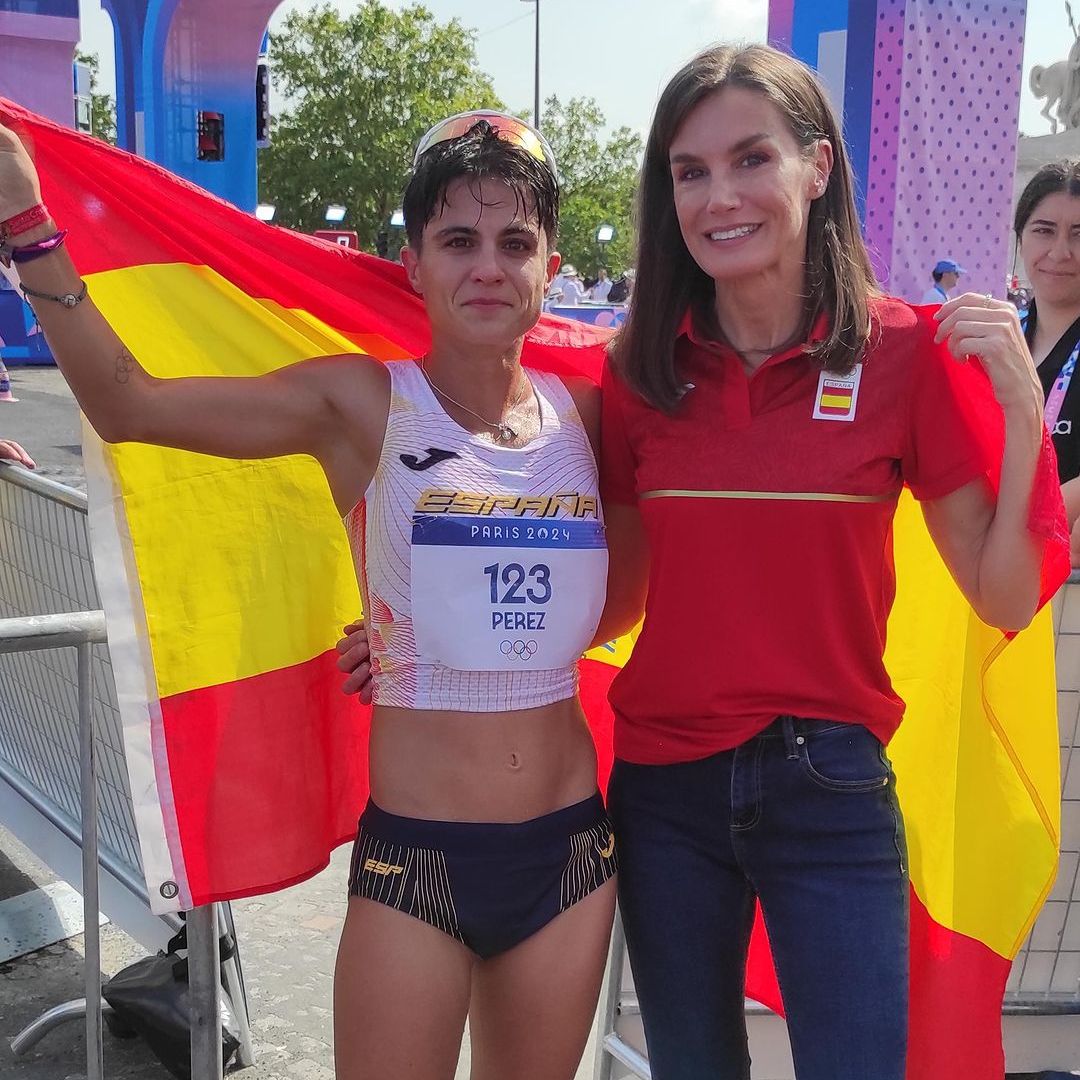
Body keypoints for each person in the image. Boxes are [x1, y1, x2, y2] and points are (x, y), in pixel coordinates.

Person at [337, 43, 1060, 1080]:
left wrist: (1025, 414)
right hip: (666, 791)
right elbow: (607, 596)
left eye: (750, 159)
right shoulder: (636, 373)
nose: (720, 195)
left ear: (816, 167)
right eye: (689, 170)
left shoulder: (903, 356)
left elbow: (1003, 595)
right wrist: (428, 636)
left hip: (833, 789)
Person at [0, 110, 621, 1080]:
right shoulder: (362, 402)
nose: (488, 267)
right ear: (411, 262)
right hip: (418, 865)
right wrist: (28, 226)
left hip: (573, 856)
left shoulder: (590, 409)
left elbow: (648, 567)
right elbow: (129, 402)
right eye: (458, 241)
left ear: (552, 266)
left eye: (515, 243)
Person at [1014, 160, 1080, 560]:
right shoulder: (995, 341)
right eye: (1044, 231)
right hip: (988, 575)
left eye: (1079, 234)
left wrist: (1028, 525)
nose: (1060, 252)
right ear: (1020, 238)